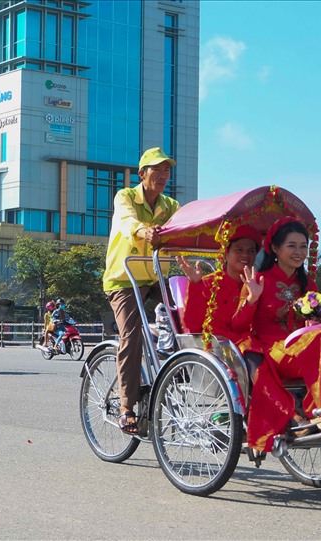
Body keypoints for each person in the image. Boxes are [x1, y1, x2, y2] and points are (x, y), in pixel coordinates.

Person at [232, 218, 321, 452]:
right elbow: (238, 325)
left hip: (302, 340)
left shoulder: (307, 284)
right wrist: (251, 299)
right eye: (292, 246)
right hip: (272, 345)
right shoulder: (258, 280)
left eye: (303, 246)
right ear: (275, 248)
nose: (299, 252)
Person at [102, 147, 181, 435]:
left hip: (156, 276)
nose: (162, 175)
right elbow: (125, 221)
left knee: (189, 317)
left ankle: (178, 373)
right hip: (124, 277)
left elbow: (186, 225)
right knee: (132, 334)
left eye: (166, 170)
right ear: (142, 174)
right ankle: (127, 407)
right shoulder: (126, 197)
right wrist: (142, 230)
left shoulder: (170, 205)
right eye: (156, 170)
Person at [177, 224, 262, 349]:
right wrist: (195, 285)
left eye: (251, 251)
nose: (246, 255)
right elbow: (192, 326)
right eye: (239, 250)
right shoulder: (208, 282)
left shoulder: (260, 284)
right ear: (226, 254)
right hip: (217, 348)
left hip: (250, 344)